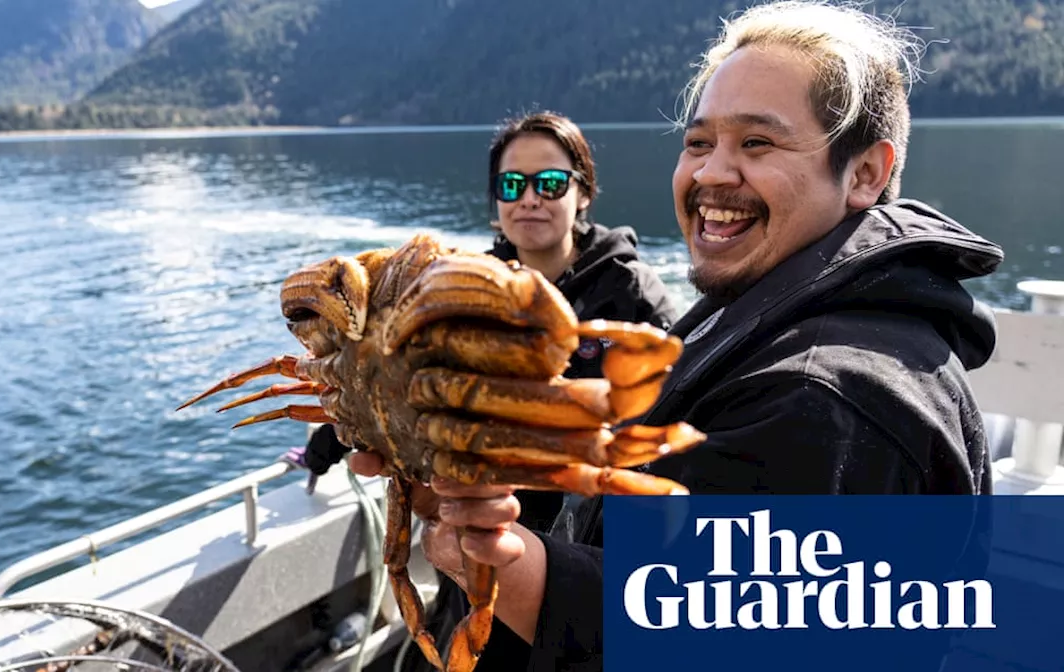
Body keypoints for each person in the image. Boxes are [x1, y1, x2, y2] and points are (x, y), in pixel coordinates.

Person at [349, 1, 1004, 670]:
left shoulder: (823, 399)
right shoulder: (763, 309)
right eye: (698, 143)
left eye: (757, 143)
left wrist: (501, 558)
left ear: (865, 173)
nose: (711, 174)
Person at [394, 111, 680, 672]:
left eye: (550, 183)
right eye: (511, 184)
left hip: (586, 554)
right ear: (495, 199)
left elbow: (670, 411)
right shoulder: (462, 286)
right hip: (477, 533)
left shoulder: (632, 295)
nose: (530, 198)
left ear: (583, 192)